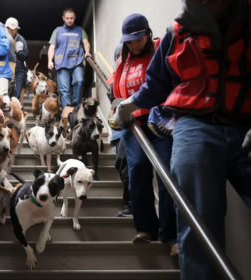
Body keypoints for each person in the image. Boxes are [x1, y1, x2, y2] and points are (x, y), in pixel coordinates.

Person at [114, 1, 251, 279]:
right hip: (194, 125)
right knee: (197, 220)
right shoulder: (175, 33)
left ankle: (167, 234)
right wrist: (129, 104)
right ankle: (158, 233)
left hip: (244, 120)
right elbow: (155, 84)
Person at [112, 14, 178, 255]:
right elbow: (116, 90)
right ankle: (146, 228)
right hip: (133, 126)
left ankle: (171, 236)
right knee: (137, 171)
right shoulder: (123, 60)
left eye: (137, 39)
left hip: (160, 123)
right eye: (129, 42)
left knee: (166, 174)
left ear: (147, 33)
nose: (134, 45)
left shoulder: (160, 48)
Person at [48, 7, 91, 110]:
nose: (69, 20)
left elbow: (86, 42)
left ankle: (76, 107)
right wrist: (50, 60)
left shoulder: (80, 30)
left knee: (79, 81)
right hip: (61, 63)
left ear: (75, 17)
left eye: (71, 18)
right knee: (64, 90)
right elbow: (52, 47)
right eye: (67, 18)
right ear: (63, 18)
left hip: (77, 62)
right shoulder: (57, 31)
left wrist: (87, 52)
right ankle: (67, 111)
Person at [107, 43, 132, 217]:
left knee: (131, 164)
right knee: (121, 161)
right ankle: (130, 204)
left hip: (138, 123)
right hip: (121, 126)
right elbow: (115, 100)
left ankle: (133, 204)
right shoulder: (114, 78)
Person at [5, 17, 29, 99]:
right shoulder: (2, 38)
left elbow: (26, 55)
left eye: (11, 29)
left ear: (16, 29)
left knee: (16, 95)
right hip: (6, 70)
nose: (9, 30)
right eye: (7, 28)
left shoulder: (20, 39)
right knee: (5, 94)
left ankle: (15, 109)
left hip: (19, 71)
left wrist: (17, 51)